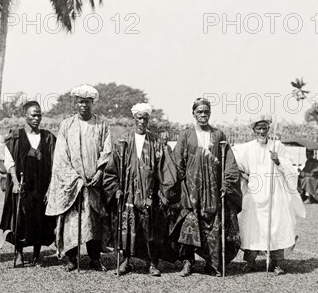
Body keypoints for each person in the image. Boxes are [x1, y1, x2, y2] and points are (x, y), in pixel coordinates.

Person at [103, 103, 179, 276]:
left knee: (150, 230)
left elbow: (166, 170)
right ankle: (126, 261)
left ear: (148, 120)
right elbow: (111, 170)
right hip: (128, 194)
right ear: (134, 119)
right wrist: (116, 188)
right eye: (139, 118)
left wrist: (163, 193)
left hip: (149, 194)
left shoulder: (157, 143)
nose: (142, 121)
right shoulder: (123, 142)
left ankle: (152, 263)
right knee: (126, 228)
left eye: (145, 118)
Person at [171, 98, 242, 277]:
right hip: (191, 190)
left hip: (213, 190)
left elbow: (230, 163)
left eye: (206, 112)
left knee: (213, 226)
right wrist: (180, 187)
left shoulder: (219, 136)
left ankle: (212, 263)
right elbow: (177, 162)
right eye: (199, 112)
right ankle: (188, 262)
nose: (203, 115)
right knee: (188, 224)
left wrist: (226, 184)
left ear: (210, 113)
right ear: (193, 114)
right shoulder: (186, 135)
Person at [46, 85, 112, 272]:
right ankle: (72, 259)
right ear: (76, 103)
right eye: (81, 101)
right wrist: (75, 178)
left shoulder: (102, 125)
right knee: (72, 222)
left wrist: (99, 172)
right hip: (73, 184)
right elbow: (61, 156)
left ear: (93, 103)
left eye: (88, 102)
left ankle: (94, 258)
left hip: (94, 183)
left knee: (93, 221)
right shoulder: (66, 125)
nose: (84, 105)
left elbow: (107, 151)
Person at [233, 115, 305, 275]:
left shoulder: (277, 146)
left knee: (277, 226)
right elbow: (234, 161)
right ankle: (250, 262)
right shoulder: (248, 148)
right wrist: (245, 176)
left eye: (264, 128)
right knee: (253, 226)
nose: (262, 131)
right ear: (254, 130)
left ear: (268, 129)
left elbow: (289, 167)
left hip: (275, 193)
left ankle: (277, 263)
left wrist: (278, 160)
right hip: (256, 193)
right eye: (258, 128)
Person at [0, 101, 56, 266]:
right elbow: (9, 161)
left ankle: (37, 254)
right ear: (25, 115)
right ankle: (19, 253)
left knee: (40, 218)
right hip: (22, 185)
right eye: (33, 114)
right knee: (19, 219)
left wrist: (50, 189)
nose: (37, 118)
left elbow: (55, 164)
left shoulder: (48, 137)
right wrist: (16, 182)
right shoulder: (16, 136)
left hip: (42, 186)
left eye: (39, 114)